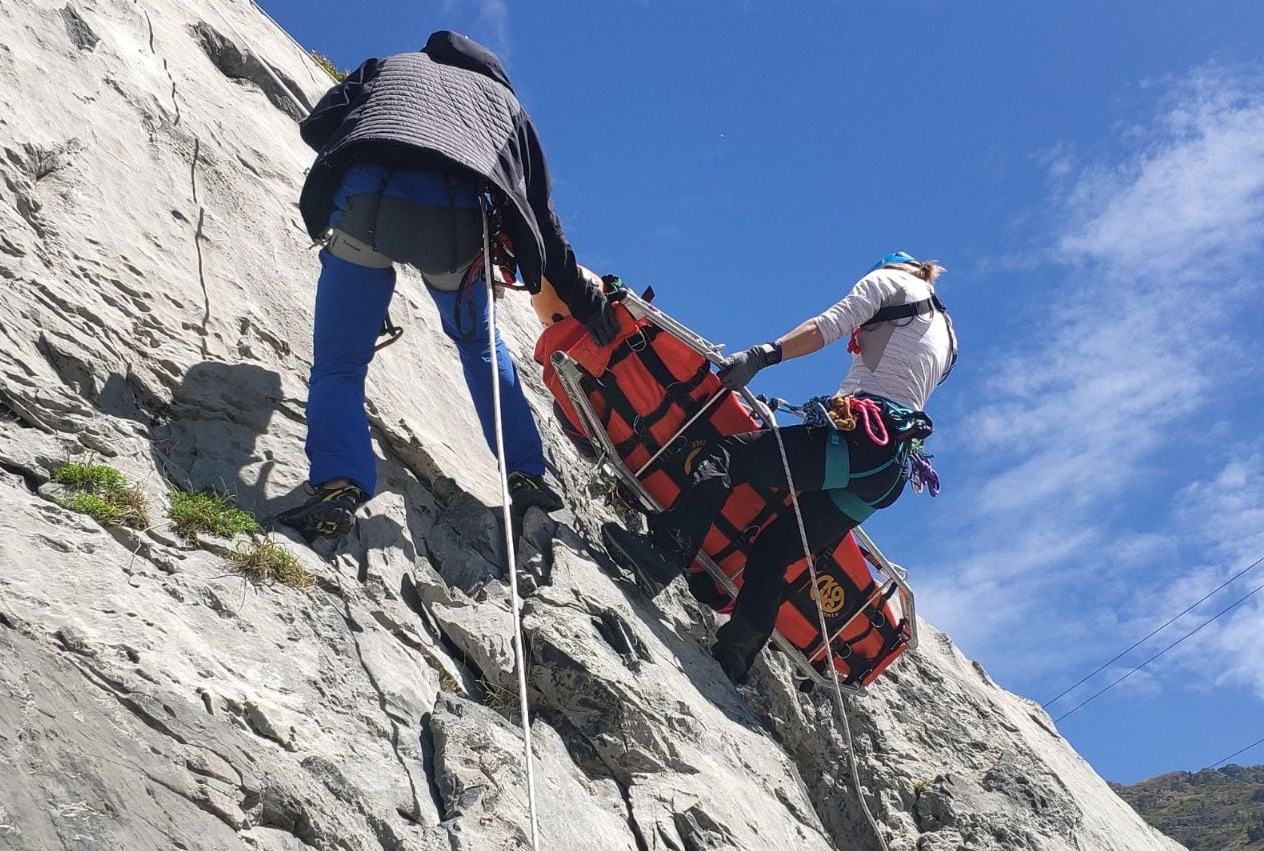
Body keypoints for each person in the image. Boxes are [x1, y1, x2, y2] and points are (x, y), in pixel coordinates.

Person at [276, 30, 618, 541]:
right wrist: (590, 306)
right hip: (457, 230)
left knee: (339, 362)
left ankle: (338, 484)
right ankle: (525, 475)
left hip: (369, 202)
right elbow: (544, 224)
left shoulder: (389, 64)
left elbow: (319, 125)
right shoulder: (506, 105)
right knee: (480, 347)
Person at [602, 252, 957, 684]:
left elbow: (827, 326)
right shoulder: (946, 334)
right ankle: (736, 654)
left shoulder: (888, 283)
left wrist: (762, 355)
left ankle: (664, 553)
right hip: (889, 471)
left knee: (726, 457)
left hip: (860, 439)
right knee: (774, 548)